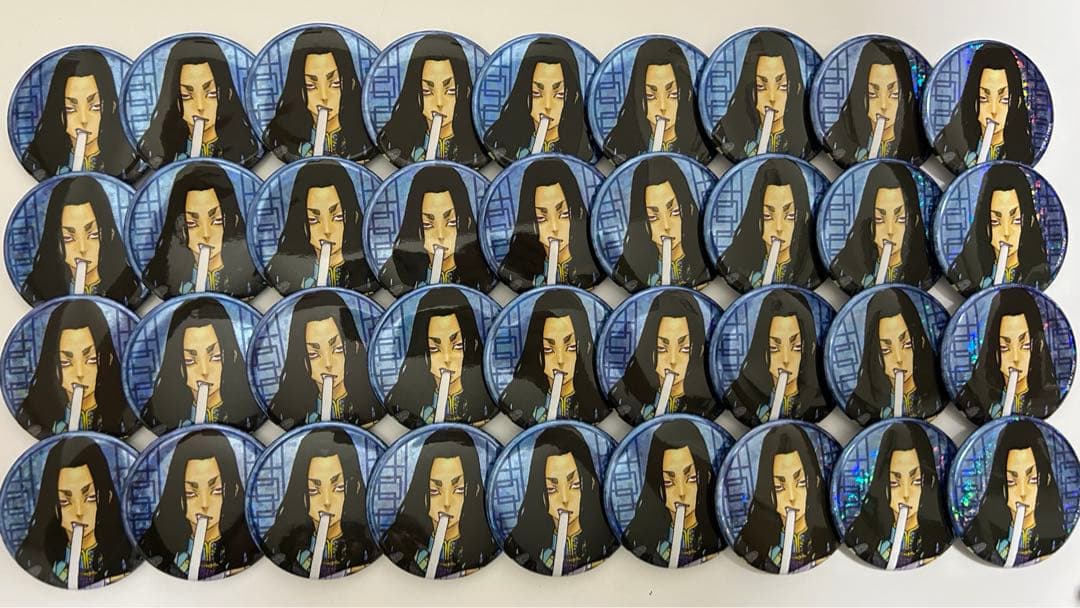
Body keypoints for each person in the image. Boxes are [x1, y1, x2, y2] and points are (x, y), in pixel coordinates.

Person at [15, 436, 138, 588]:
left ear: (107, 497)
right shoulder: (39, 560)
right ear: (54, 505)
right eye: (65, 501)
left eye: (90, 497)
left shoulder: (127, 554)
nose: (79, 512)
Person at [138, 429, 259, 579]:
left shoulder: (251, 545)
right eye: (191, 493)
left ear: (232, 489)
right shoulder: (161, 549)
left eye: (216, 490)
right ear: (178, 495)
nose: (204, 504)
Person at [262, 428, 380, 577]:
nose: (327, 501)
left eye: (338, 487)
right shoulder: (285, 549)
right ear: (302, 492)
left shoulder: (371, 544)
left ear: (352, 488)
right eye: (314, 490)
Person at [381, 428, 498, 578]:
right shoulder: (399, 543)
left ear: (473, 490)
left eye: (459, 489)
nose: (447, 503)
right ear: (422, 491)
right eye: (435, 491)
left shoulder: (488, 542)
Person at [503, 425, 618, 575]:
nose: (564, 499)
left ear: (588, 483)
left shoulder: (607, 538)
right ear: (540, 492)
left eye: (574, 485)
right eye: (552, 489)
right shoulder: (523, 547)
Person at [141, 298, 264, 434]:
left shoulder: (253, 408)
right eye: (190, 360)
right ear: (177, 362)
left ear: (231, 355)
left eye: (215, 357)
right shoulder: (159, 415)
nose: (204, 371)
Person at [142, 162, 264, 299]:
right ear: (179, 227)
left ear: (231, 221)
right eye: (192, 223)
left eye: (217, 221)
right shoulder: (166, 280)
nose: (206, 234)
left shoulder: (251, 276)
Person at [17, 299, 137, 438]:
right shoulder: (34, 415)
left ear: (108, 358)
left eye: (91, 360)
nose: (79, 373)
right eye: (66, 362)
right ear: (52, 363)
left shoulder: (129, 411)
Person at [137, 36, 261, 168]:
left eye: (211, 94)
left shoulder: (244, 150)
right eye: (186, 96)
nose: (200, 106)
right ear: (175, 98)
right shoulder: (165, 152)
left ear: (226, 93)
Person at [20, 175, 143, 307]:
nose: (82, 249)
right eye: (68, 238)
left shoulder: (129, 285)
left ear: (109, 233)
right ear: (55, 240)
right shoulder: (39, 289)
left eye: (93, 235)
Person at [21, 48, 143, 182]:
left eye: (95, 107)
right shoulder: (39, 162)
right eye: (70, 109)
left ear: (111, 106)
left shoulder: (130, 161)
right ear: (58, 110)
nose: (84, 120)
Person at [843, 421, 953, 569]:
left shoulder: (942, 537)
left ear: (928, 481)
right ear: (883, 483)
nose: (905, 494)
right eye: (895, 482)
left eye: (916, 481)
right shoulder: (862, 535)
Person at [267, 291, 382, 429]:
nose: (328, 364)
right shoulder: (288, 411)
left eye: (338, 349)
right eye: (313, 354)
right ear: (301, 357)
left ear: (354, 346)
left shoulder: (376, 401)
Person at [383, 287, 495, 427]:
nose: (447, 358)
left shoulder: (490, 399)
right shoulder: (405, 404)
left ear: (472, 345)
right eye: (434, 349)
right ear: (422, 351)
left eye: (458, 346)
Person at [733, 424, 837, 573]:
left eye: (801, 483)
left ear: (814, 482)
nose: (791, 497)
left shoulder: (831, 535)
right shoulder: (750, 543)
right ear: (767, 489)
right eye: (779, 487)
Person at [962, 419, 1066, 566]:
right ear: (1000, 484)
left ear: (1046, 479)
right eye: (1011, 481)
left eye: (1032, 479)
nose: (1022, 492)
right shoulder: (981, 537)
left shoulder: (1055, 540)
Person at [264, 160, 378, 295]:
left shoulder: (372, 268)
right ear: (299, 221)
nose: (327, 230)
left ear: (353, 216)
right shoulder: (282, 272)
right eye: (313, 220)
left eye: (338, 217)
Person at [376, 165, 493, 296]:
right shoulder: (395, 273)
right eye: (428, 225)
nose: (440, 235)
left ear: (466, 221)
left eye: (451, 222)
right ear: (415, 225)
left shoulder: (485, 268)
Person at [497, 289, 608, 427]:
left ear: (585, 347)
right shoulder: (518, 403)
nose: (560, 360)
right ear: (537, 351)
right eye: (549, 349)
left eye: (571, 347)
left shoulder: (601, 400)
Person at [264, 27, 375, 162]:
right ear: (298, 87)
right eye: (310, 86)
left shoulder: (368, 137)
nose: (324, 96)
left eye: (335, 84)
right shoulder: (282, 138)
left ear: (349, 83)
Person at [622, 418, 723, 567]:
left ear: (705, 476)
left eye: (691, 478)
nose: (681, 492)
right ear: (656, 483)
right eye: (669, 482)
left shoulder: (720, 531)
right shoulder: (641, 539)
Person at [376, 34, 487, 167]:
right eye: (427, 91)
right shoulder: (396, 143)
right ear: (414, 91)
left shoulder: (479, 145)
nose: (439, 103)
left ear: (464, 91)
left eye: (450, 91)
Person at [609, 290, 717, 425]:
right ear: (649, 347)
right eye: (662, 348)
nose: (673, 360)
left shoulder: (711, 399)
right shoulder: (625, 393)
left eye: (684, 349)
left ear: (699, 350)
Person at [717, 157, 823, 292]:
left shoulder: (815, 267)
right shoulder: (735, 267)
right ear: (757, 217)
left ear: (804, 216)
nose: (778, 227)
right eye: (768, 216)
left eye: (790, 216)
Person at [954, 288, 1060, 424]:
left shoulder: (1048, 400)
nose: (1015, 358)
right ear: (993, 349)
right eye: (1005, 347)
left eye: (1025, 345)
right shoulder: (973, 398)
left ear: (1037, 346)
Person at [725, 289, 830, 426]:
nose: (785, 359)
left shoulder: (821, 402)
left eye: (796, 347)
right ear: (762, 348)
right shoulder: (740, 396)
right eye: (774, 348)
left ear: (810, 348)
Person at [483, 37, 593, 165]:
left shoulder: (583, 150)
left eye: (559, 94)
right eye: (536, 93)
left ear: (573, 96)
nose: (547, 105)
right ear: (524, 93)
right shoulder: (505, 145)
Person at [497, 158, 603, 291]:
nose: (554, 228)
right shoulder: (517, 271)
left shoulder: (597, 262)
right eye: (541, 218)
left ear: (577, 212)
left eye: (564, 214)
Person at [603, 38, 713, 165]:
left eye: (673, 94)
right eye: (650, 96)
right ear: (638, 96)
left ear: (685, 94)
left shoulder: (701, 144)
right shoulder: (621, 146)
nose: (662, 106)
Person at [610, 155, 712, 292]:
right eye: (653, 217)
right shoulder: (628, 270)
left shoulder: (708, 258)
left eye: (675, 211)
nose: (666, 226)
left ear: (689, 209)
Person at [845, 288, 947, 425]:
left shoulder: (940, 389)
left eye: (907, 344)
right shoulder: (861, 405)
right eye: (886, 350)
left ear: (920, 341)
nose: (899, 359)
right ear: (873, 353)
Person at [829, 163, 934, 294]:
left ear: (914, 221)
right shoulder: (846, 270)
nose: (890, 231)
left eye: (901, 219)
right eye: (879, 219)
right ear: (869, 222)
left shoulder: (926, 272)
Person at [947, 164, 1050, 296]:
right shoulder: (965, 272)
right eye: (995, 221)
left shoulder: (1039, 277)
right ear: (985, 224)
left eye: (1016, 220)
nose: (1006, 232)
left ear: (1029, 221)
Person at [711, 30, 815, 161]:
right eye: (761, 86)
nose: (772, 98)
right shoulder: (728, 134)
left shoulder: (808, 138)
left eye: (782, 86)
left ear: (795, 88)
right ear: (749, 88)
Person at [822, 39, 928, 167]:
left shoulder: (917, 146)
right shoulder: (839, 141)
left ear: (907, 97)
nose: (883, 105)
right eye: (872, 94)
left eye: (894, 94)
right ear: (861, 95)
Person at [933, 43, 1034, 173]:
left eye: (1004, 99)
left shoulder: (1022, 155)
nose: (993, 110)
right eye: (983, 98)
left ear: (1017, 101)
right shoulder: (952, 147)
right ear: (973, 99)